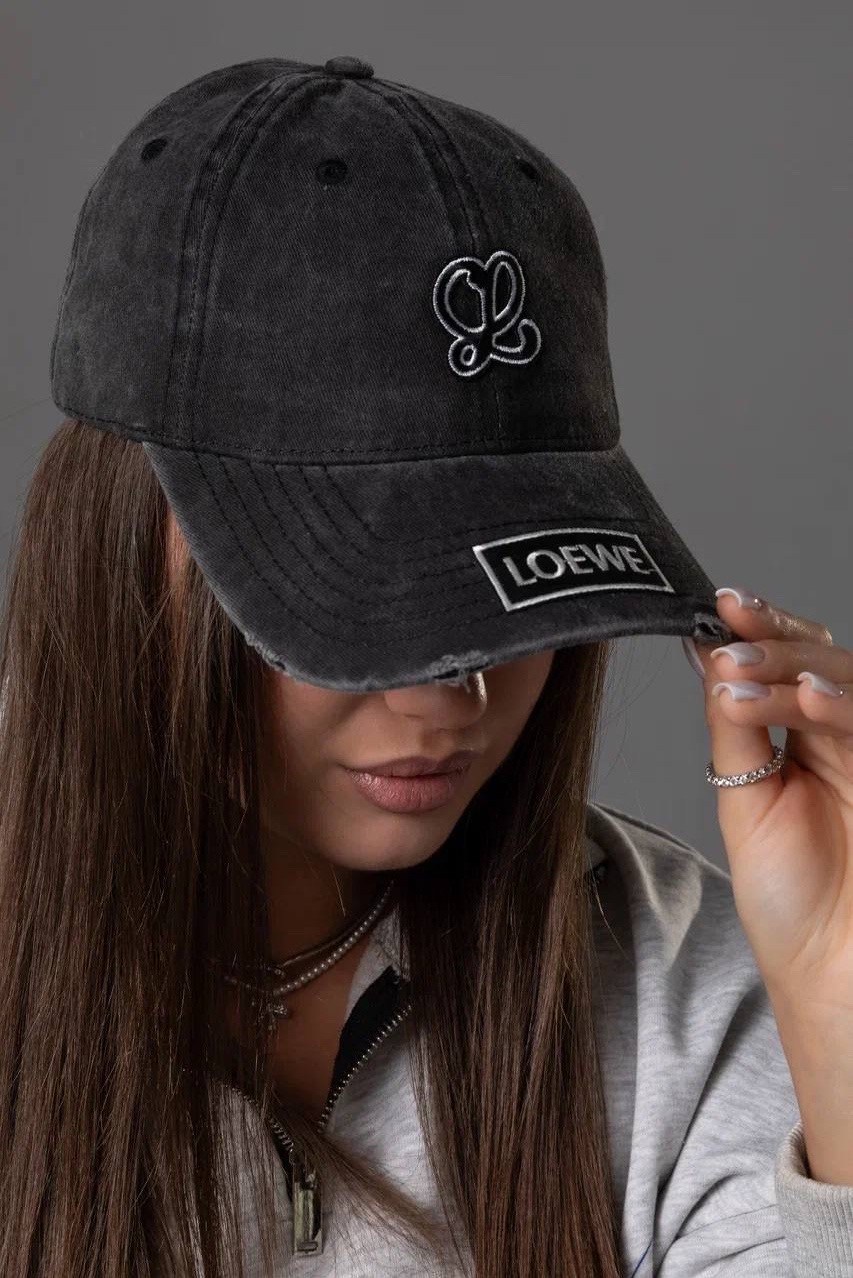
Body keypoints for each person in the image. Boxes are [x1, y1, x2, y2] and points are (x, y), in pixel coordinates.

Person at [1, 54, 851, 1278]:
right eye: (369, 592)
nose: (456, 694)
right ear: (125, 547)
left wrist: (837, 1026)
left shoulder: (684, 983)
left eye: (510, 588)